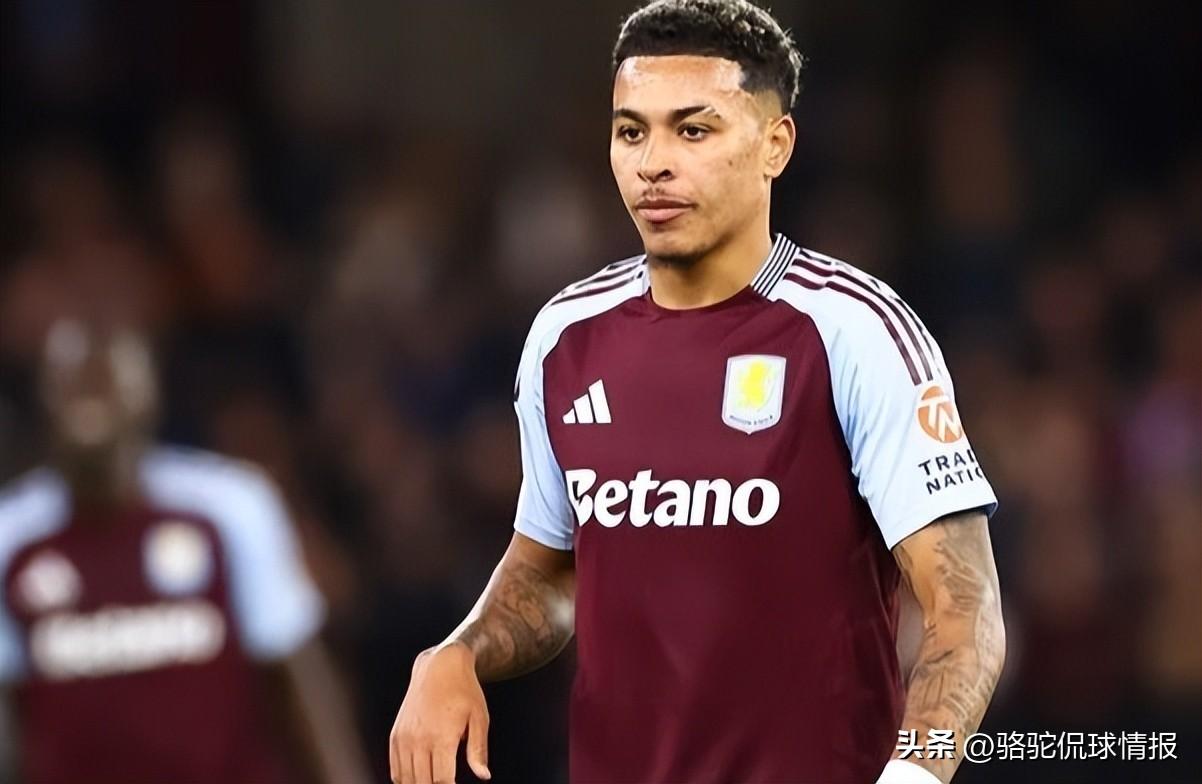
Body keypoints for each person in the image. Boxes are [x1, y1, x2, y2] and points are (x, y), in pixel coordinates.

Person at [389, 1, 1005, 782]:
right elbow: (552, 575)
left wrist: (912, 778)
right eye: (631, 132)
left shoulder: (854, 330)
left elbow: (966, 614)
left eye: (693, 130)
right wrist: (458, 652)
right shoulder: (564, 337)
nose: (653, 163)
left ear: (775, 145)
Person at [0, 319, 371, 784]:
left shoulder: (230, 506)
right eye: (73, 380)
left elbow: (295, 678)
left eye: (108, 378)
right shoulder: (13, 536)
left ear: (148, 393)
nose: (92, 396)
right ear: (44, 397)